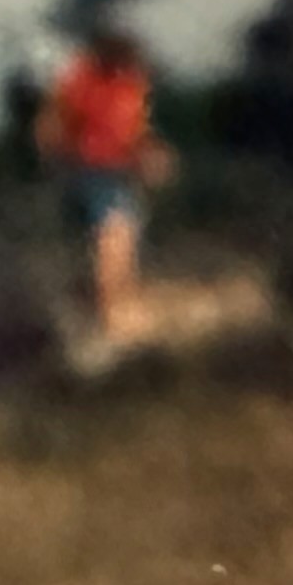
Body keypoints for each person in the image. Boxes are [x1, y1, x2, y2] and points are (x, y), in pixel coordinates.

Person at [34, 22, 174, 345]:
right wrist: (58, 160)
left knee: (119, 245)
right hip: (91, 173)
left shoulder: (131, 86)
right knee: (114, 242)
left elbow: (133, 132)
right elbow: (51, 127)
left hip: (119, 173)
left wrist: (150, 156)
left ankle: (112, 316)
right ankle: (113, 323)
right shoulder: (82, 81)